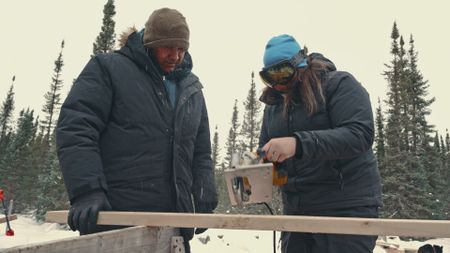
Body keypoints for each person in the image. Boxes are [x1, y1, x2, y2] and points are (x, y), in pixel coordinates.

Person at [56, 8, 218, 252]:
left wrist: (204, 196)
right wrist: (87, 190)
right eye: (168, 47)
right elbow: (76, 127)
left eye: (181, 49)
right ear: (151, 42)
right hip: (117, 221)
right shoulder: (109, 69)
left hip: (174, 225)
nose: (175, 55)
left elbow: (200, 152)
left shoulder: (191, 89)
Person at [258, 34, 382, 253]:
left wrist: (298, 143)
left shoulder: (339, 85)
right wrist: (256, 168)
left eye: (283, 73)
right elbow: (267, 151)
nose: (277, 83)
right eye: (269, 77)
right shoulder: (273, 106)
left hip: (345, 208)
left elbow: (359, 134)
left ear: (300, 63)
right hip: (297, 211)